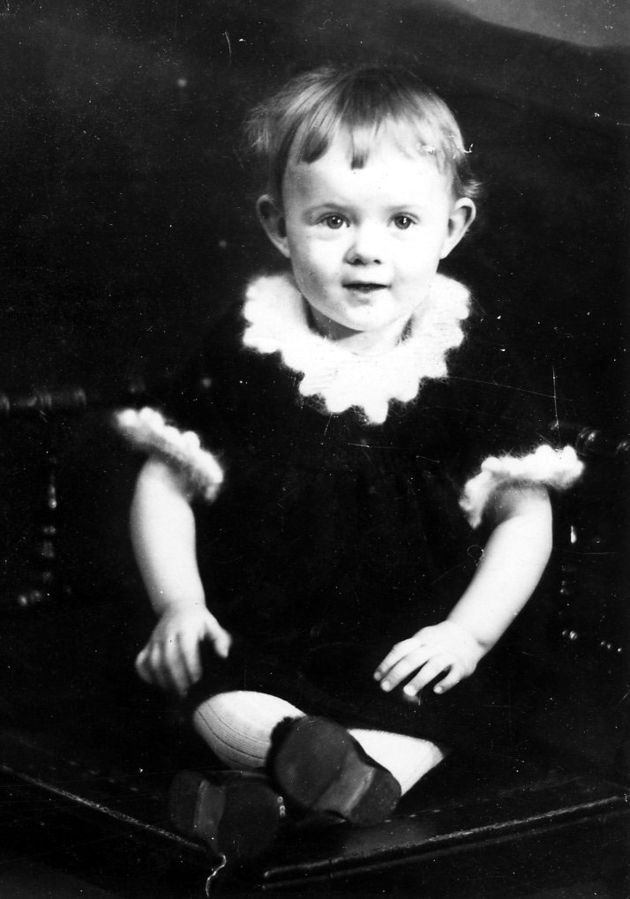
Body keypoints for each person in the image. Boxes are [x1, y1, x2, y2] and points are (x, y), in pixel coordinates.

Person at [115, 65, 583, 865]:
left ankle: (266, 795)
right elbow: (165, 479)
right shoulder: (248, 339)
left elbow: (524, 513)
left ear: (452, 227)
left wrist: (467, 633)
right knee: (211, 687)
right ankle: (297, 769)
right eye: (332, 219)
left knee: (425, 725)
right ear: (278, 224)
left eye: (402, 220)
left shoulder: (469, 353)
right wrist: (180, 602)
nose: (368, 250)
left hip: (413, 642)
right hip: (265, 627)